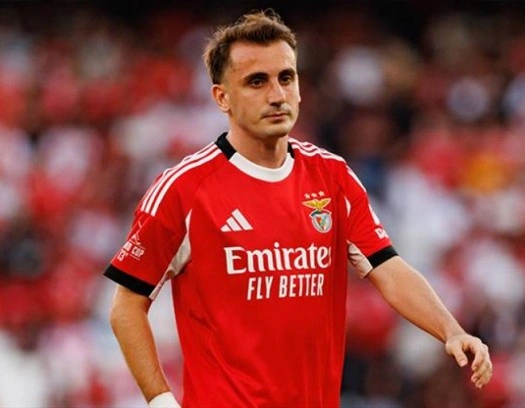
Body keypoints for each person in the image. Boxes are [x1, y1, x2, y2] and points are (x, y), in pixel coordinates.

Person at [105, 9, 492, 408]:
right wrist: (161, 401)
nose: (277, 95)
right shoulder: (183, 190)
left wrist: (451, 330)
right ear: (222, 97)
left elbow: (387, 268)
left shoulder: (333, 176)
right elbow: (127, 305)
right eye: (257, 81)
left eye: (286, 78)